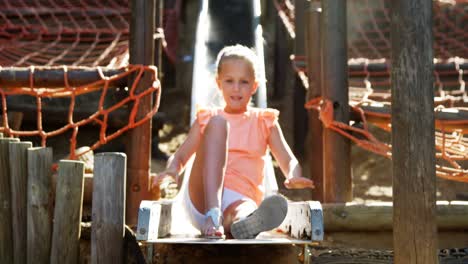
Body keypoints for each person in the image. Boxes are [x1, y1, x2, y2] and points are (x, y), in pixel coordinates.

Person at [151, 44, 314, 239]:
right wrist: (172, 170)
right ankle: (213, 215)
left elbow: (289, 160)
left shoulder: (264, 121)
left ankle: (245, 223)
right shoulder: (208, 118)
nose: (236, 88)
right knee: (219, 123)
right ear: (219, 83)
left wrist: (294, 175)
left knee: (243, 209)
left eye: (244, 82)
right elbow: (180, 156)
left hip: (241, 196)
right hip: (203, 197)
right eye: (229, 81)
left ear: (254, 86)